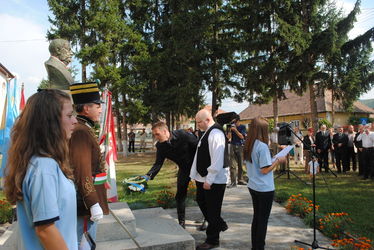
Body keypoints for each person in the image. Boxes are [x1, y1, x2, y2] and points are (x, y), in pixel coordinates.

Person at [4, 89, 78, 249]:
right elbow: (46, 230)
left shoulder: (43, 163)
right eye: (69, 115)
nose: (75, 121)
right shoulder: (44, 167)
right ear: (50, 122)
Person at [69, 82, 109, 245]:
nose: (100, 109)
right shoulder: (80, 131)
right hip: (86, 204)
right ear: (86, 108)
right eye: (98, 105)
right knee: (84, 244)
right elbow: (82, 170)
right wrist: (92, 202)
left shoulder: (84, 128)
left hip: (91, 197)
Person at [142, 121, 198, 228]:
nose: (156, 137)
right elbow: (158, 163)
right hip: (184, 170)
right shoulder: (160, 146)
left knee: (203, 196)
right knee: (180, 196)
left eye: (157, 134)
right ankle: (181, 222)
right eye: (154, 135)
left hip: (197, 167)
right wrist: (148, 175)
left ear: (165, 131)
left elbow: (198, 147)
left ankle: (207, 220)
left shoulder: (182, 135)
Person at [243, 117, 287, 250]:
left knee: (257, 218)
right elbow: (265, 169)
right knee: (262, 220)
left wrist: (273, 159)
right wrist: (278, 161)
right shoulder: (262, 146)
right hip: (264, 188)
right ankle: (259, 247)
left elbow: (257, 164)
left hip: (254, 185)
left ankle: (255, 246)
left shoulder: (249, 144)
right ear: (263, 130)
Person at [190, 109, 229, 250]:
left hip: (214, 180)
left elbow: (217, 159)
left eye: (199, 122)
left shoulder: (216, 133)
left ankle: (212, 240)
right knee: (201, 201)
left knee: (213, 209)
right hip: (203, 177)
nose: (198, 125)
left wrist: (209, 179)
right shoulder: (207, 132)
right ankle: (219, 223)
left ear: (207, 120)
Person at [227, 115, 247, 187]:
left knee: (240, 164)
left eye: (234, 122)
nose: (234, 123)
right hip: (232, 145)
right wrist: (229, 131)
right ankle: (233, 182)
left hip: (240, 146)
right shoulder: (230, 127)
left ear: (238, 121)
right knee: (232, 165)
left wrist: (235, 130)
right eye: (233, 122)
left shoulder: (242, 127)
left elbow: (242, 136)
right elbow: (228, 138)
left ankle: (240, 180)